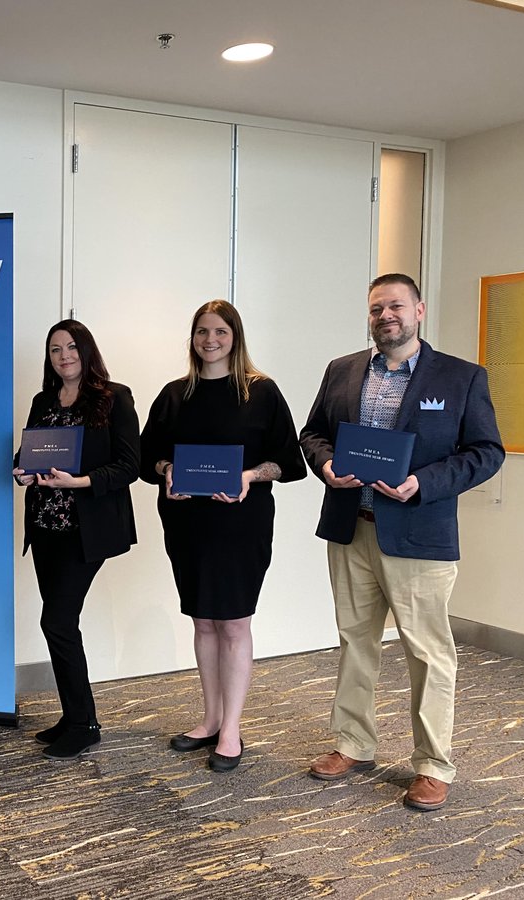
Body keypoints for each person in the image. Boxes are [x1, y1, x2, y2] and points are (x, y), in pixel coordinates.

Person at [299, 273, 504, 811]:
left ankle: (433, 765)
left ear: (419, 310)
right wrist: (323, 463)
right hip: (352, 529)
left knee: (429, 654)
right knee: (354, 641)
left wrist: (423, 483)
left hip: (419, 533)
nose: (385, 316)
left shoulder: (461, 377)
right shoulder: (342, 371)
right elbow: (313, 431)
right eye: (375, 309)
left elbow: (486, 451)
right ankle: (353, 743)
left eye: (395, 306)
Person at [140, 301, 306, 772]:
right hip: (187, 525)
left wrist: (251, 475)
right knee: (203, 622)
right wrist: (166, 469)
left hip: (241, 524)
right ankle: (210, 718)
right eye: (201, 332)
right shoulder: (175, 394)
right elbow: (144, 455)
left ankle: (231, 728)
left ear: (236, 336)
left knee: (233, 624)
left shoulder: (262, 392)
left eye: (219, 331)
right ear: (192, 338)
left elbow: (290, 463)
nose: (209, 340)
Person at [13, 320, 139, 760]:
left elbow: (129, 466)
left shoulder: (113, 397)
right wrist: (20, 470)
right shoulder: (43, 400)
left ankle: (84, 723)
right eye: (54, 350)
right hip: (46, 528)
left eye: (71, 347)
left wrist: (80, 480)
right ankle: (73, 717)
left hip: (86, 530)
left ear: (86, 351)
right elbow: (28, 452)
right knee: (60, 623)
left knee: (57, 622)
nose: (63, 355)